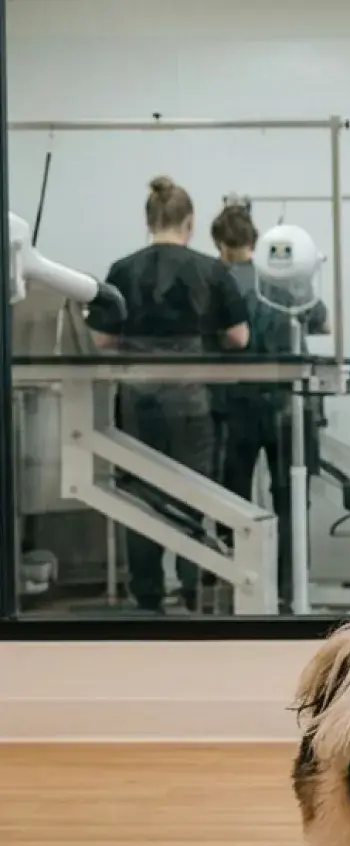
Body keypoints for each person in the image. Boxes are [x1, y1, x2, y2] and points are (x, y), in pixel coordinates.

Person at [85, 176, 251, 614]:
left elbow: (100, 341)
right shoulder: (211, 271)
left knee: (139, 492)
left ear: (148, 220)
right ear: (191, 223)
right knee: (192, 494)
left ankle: (148, 597)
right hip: (193, 400)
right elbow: (239, 337)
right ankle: (194, 591)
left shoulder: (122, 270)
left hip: (138, 400)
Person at [210, 203, 330, 612]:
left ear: (220, 246)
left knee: (232, 500)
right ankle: (289, 592)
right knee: (291, 501)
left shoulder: (218, 280)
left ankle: (232, 588)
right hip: (289, 404)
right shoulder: (283, 278)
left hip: (236, 404)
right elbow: (323, 322)